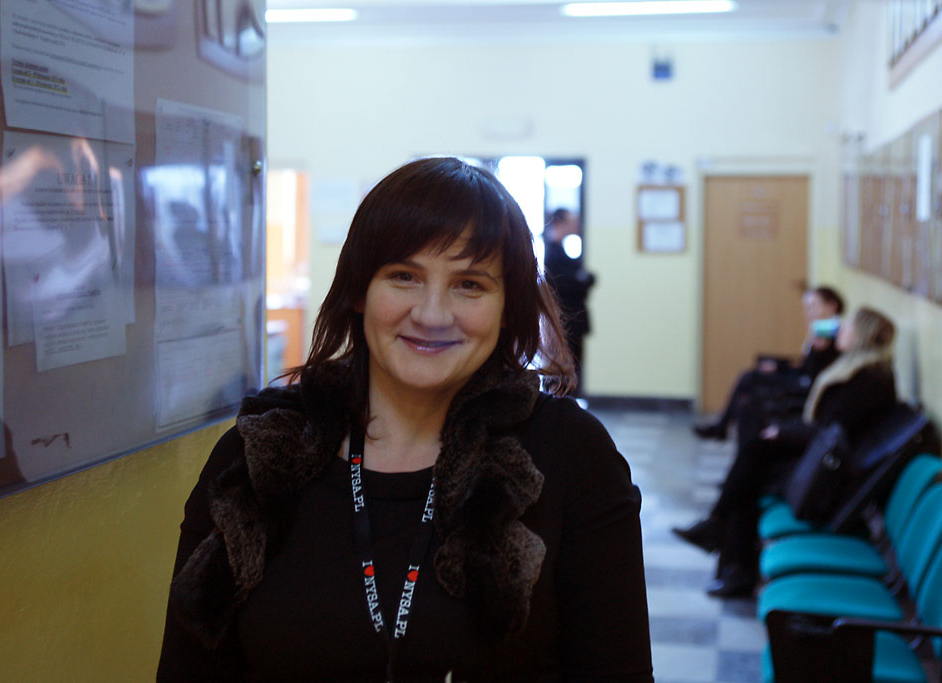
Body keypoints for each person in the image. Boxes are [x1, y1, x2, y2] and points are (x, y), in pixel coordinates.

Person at [157, 157, 653, 681]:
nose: (432, 314)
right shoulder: (259, 456)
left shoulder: (572, 454)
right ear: (359, 290)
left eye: (469, 284)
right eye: (403, 277)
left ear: (507, 307)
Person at [674, 307, 897, 598]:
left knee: (752, 467)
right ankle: (730, 558)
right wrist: (817, 353)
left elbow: (832, 431)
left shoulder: (868, 381)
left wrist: (784, 433)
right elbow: (823, 410)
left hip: (830, 476)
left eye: (848, 325)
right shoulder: (861, 370)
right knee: (752, 463)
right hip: (826, 460)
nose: (840, 329)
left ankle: (726, 547)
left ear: (862, 334)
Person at [693, 286, 845, 442]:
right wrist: (779, 366)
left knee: (749, 380)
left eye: (813, 307)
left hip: (807, 386)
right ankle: (725, 428)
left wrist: (816, 351)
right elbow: (805, 365)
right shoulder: (820, 330)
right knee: (748, 388)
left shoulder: (834, 332)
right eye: (807, 308)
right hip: (802, 378)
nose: (809, 313)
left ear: (832, 306)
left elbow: (815, 372)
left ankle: (722, 427)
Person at [543, 208, 596, 394]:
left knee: (572, 368)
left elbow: (585, 280)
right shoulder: (553, 254)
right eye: (572, 221)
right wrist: (582, 280)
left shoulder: (561, 253)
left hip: (572, 321)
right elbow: (572, 284)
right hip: (566, 322)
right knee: (564, 370)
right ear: (559, 223)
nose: (576, 225)